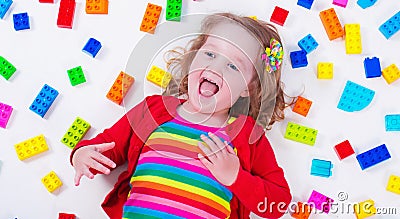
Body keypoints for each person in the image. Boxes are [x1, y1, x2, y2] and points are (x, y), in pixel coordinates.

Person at [71, 13, 292, 219]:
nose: (216, 67)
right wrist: (82, 155)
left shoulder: (248, 133)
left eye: (233, 65)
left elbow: (278, 203)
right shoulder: (152, 109)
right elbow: (106, 147)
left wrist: (236, 177)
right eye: (210, 53)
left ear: (249, 88)